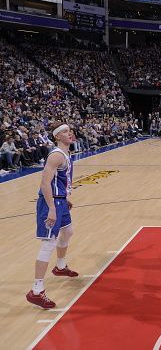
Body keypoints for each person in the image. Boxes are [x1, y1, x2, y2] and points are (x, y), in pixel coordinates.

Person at [26, 123, 79, 309]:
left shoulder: (66, 154)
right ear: (57, 137)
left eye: (69, 130)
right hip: (51, 203)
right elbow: (44, 183)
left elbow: (60, 181)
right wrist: (52, 208)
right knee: (48, 243)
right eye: (65, 131)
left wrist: (64, 198)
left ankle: (60, 267)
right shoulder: (56, 155)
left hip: (60, 200)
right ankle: (36, 291)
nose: (70, 132)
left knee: (68, 232)